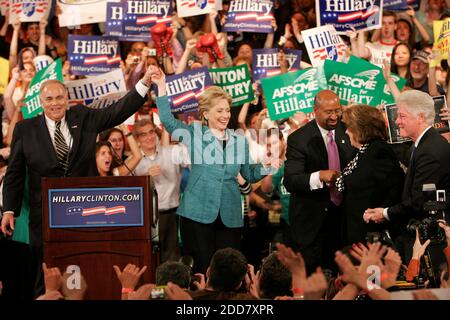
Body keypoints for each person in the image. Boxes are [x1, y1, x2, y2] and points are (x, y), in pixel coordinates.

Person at [0, 65, 157, 297]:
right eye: (49, 99)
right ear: (41, 103)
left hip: (84, 213)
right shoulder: (26, 129)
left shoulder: (83, 117)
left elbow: (117, 112)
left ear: (67, 99)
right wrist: (9, 210)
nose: (55, 103)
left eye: (60, 97)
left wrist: (143, 83)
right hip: (44, 217)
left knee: (84, 270)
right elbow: (14, 174)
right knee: (47, 276)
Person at [152, 69, 278, 274]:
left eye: (227, 110)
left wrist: (269, 164)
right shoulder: (194, 133)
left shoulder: (238, 139)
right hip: (197, 215)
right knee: (203, 269)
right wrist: (161, 85)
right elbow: (167, 120)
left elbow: (248, 174)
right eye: (219, 111)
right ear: (206, 113)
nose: (225, 115)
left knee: (227, 271)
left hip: (230, 216)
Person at [364, 90, 450, 262]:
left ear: (420, 117)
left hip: (432, 242)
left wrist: (385, 213)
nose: (396, 121)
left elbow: (418, 202)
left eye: (402, 116)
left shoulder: (429, 151)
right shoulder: (423, 144)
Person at [284, 90, 355, 274]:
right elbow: (291, 181)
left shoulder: (349, 131)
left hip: (343, 218)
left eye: (337, 111)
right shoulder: (298, 139)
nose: (334, 116)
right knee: (313, 277)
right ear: (315, 110)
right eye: (328, 112)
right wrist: (319, 176)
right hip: (312, 221)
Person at [334, 105, 404, 246]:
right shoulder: (360, 151)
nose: (346, 132)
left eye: (349, 127)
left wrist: (381, 214)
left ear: (361, 129)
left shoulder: (379, 151)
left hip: (373, 234)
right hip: (356, 231)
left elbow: (396, 188)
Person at [133, 119, 190, 263]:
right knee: (150, 258)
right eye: (143, 134)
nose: (149, 137)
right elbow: (128, 190)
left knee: (173, 258)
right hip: (147, 217)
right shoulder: (134, 161)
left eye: (151, 132)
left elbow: (192, 160)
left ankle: (172, 285)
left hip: (173, 213)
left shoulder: (171, 152)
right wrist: (145, 177)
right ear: (137, 139)